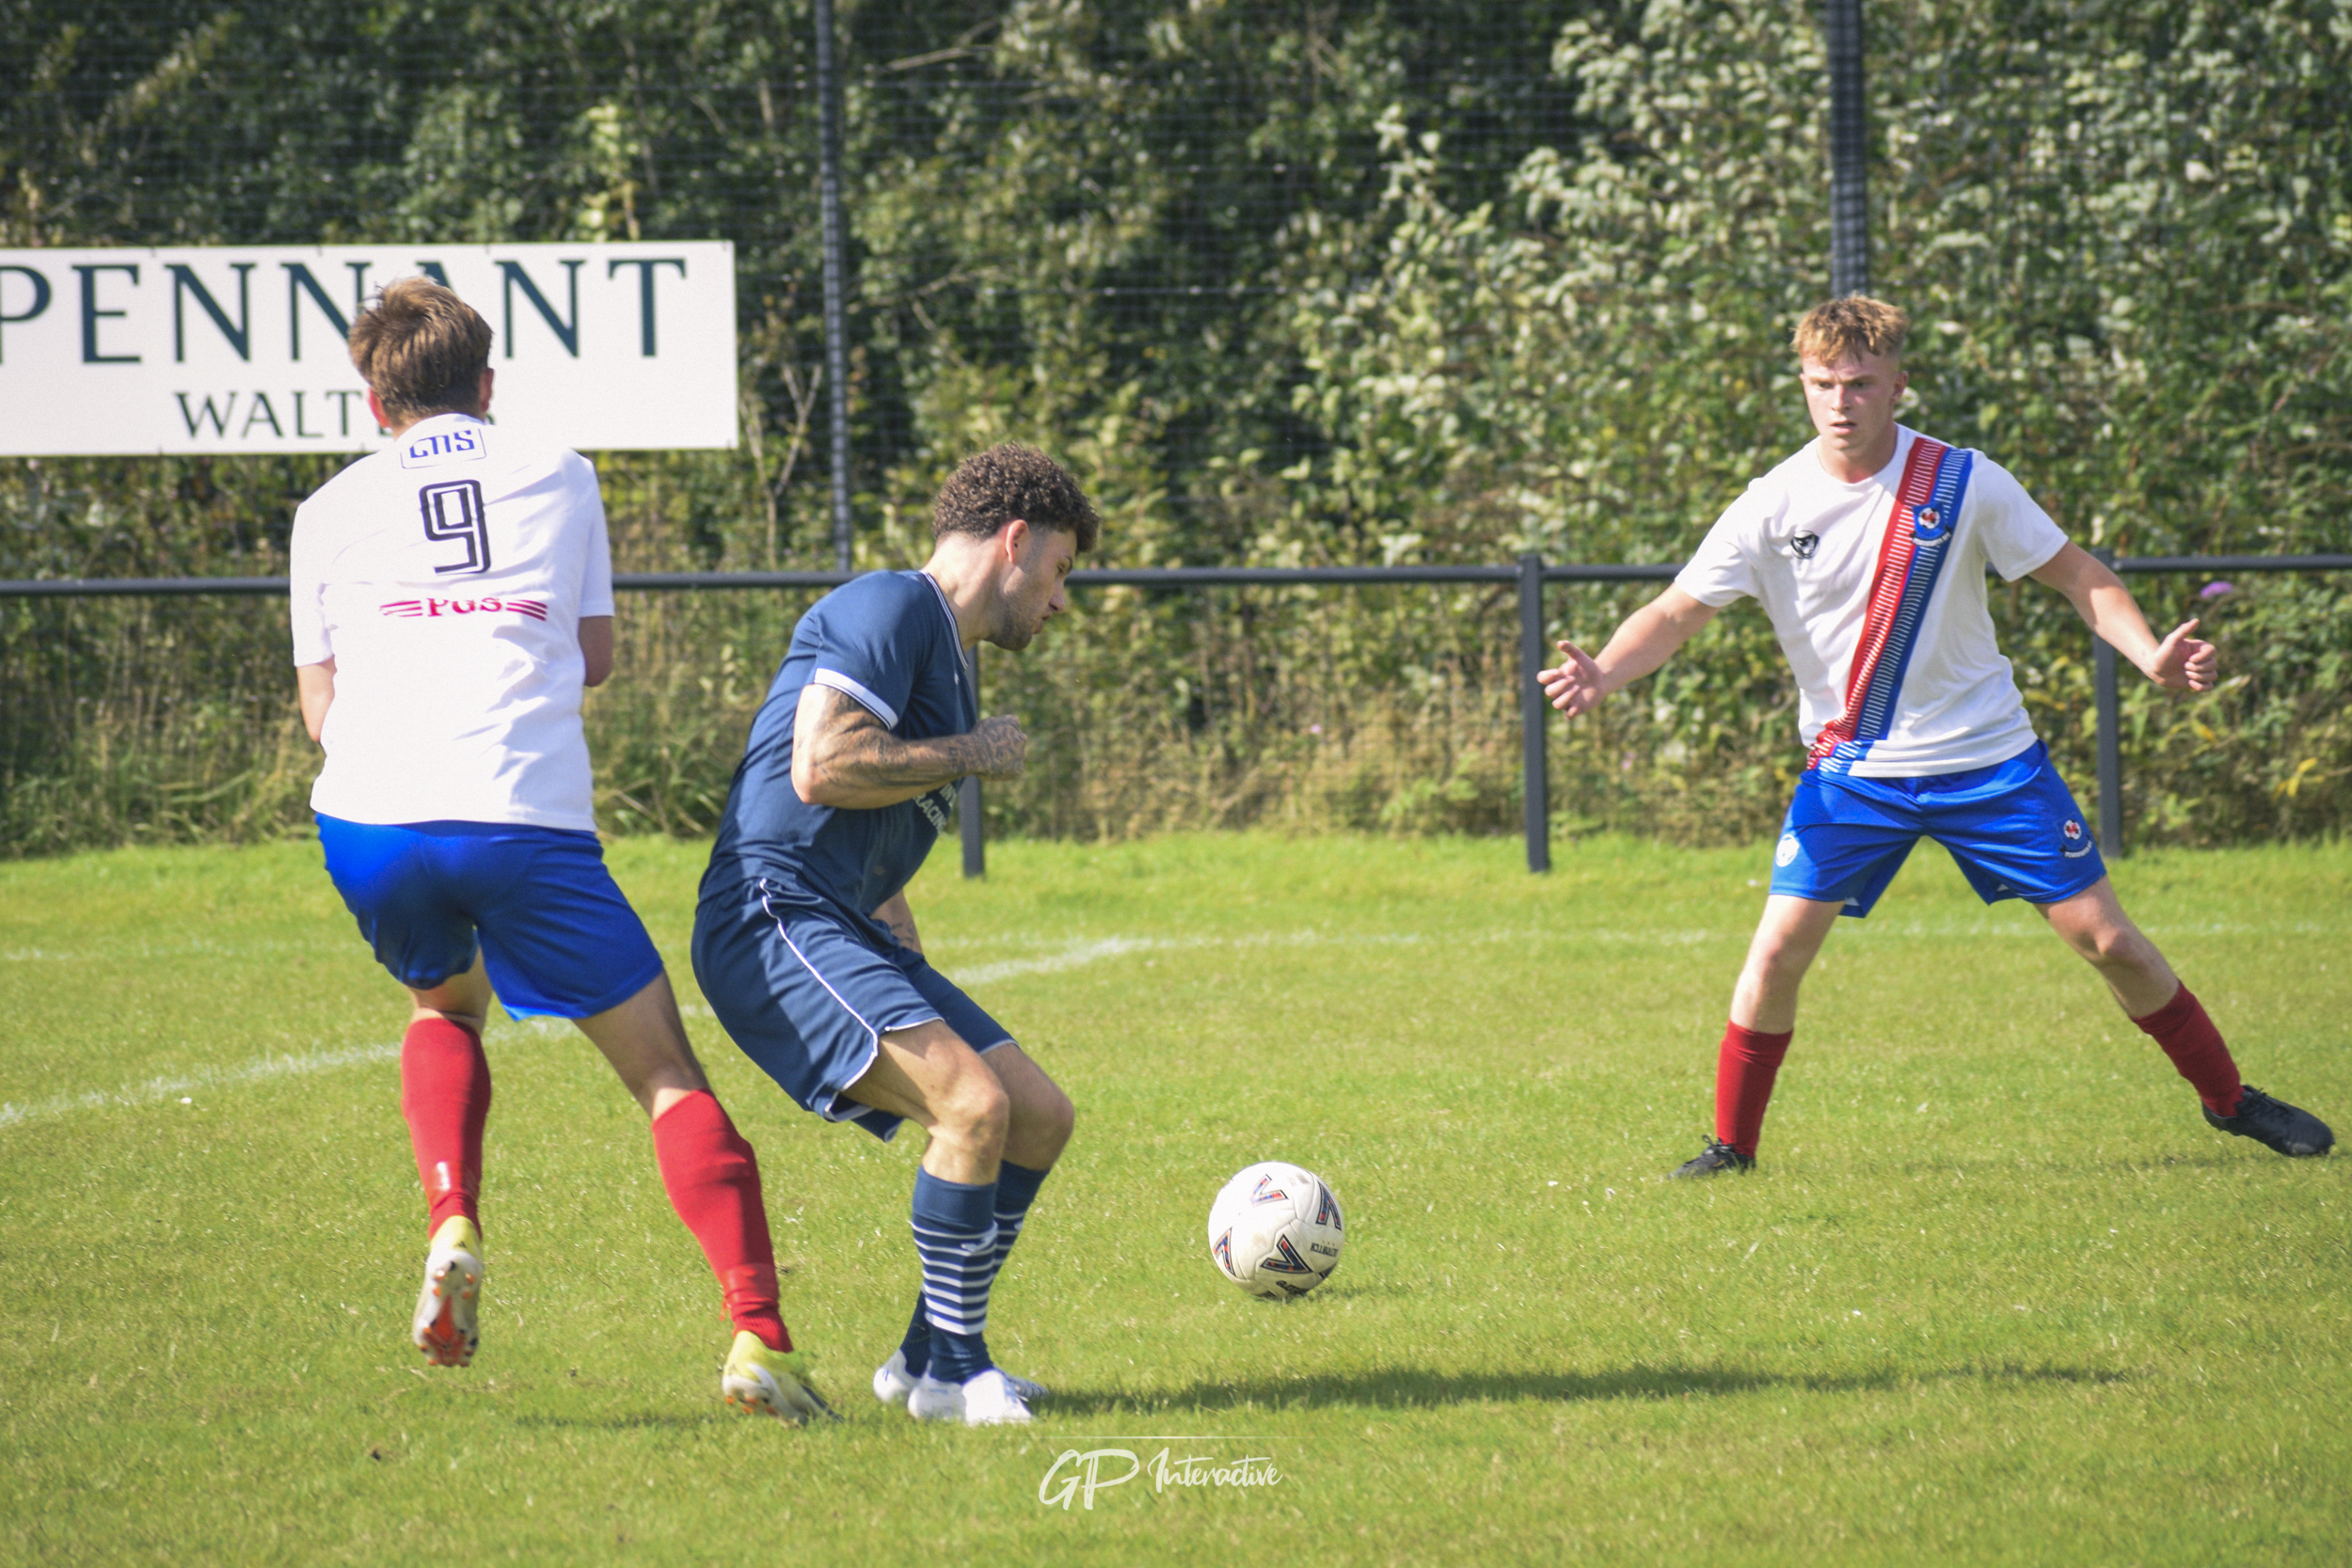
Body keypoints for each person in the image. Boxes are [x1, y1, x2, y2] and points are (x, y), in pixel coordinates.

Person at [1540, 295, 2333, 1178]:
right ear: (1802, 385)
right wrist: (1605, 668)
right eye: (1822, 383)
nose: (1840, 402)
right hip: (1852, 776)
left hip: (1990, 762)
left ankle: (2231, 1100)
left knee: (2110, 942)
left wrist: (2150, 654)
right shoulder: (1770, 503)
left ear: (1898, 386)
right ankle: (1732, 1148)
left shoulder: (1963, 482)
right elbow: (1676, 611)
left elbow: (2082, 577)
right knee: (1773, 956)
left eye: (1861, 383)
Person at [288, 276, 830, 1420]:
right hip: (519, 816)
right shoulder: (565, 472)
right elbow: (594, 656)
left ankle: (451, 1218)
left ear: (375, 402)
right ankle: (759, 1338)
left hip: (371, 821)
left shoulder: (326, 509)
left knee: (445, 1009)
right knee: (666, 1075)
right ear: (487, 387)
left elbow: (320, 711)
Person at [691, 443, 1096, 1427]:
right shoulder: (890, 605)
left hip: (840, 921)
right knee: (970, 1104)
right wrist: (972, 752)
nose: (1059, 599)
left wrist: (896, 939)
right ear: (1013, 541)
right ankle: (959, 1370)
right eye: (1060, 571)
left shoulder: (944, 653)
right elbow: (822, 765)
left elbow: (868, 830)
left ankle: (922, 1360)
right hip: (768, 915)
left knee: (1036, 1113)